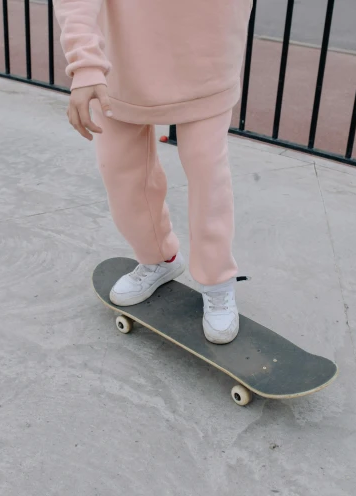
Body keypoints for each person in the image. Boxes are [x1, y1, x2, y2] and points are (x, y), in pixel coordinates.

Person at [53, 0, 253, 344]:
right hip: (123, 60)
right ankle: (159, 257)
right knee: (121, 172)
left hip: (208, 51)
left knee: (208, 174)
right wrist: (84, 61)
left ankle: (217, 281)